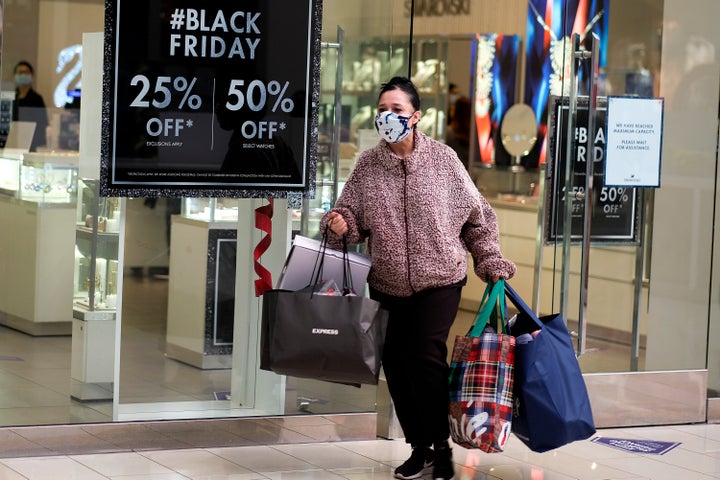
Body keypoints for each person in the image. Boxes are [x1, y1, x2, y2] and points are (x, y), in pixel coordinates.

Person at [322, 77, 516, 480]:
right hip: (388, 283)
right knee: (394, 361)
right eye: (381, 111)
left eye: (395, 110)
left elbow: (477, 220)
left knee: (424, 357)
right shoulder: (367, 166)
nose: (387, 118)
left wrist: (491, 262)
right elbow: (350, 219)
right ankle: (420, 447)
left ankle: (442, 448)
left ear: (416, 116)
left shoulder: (444, 161)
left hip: (440, 279)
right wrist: (340, 224)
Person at [11, 60, 48, 151]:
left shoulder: (36, 99)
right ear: (15, 75)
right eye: (20, 72)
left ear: (31, 75)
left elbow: (42, 123)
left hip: (31, 144)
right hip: (12, 143)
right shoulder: (12, 97)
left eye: (26, 72)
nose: (23, 75)